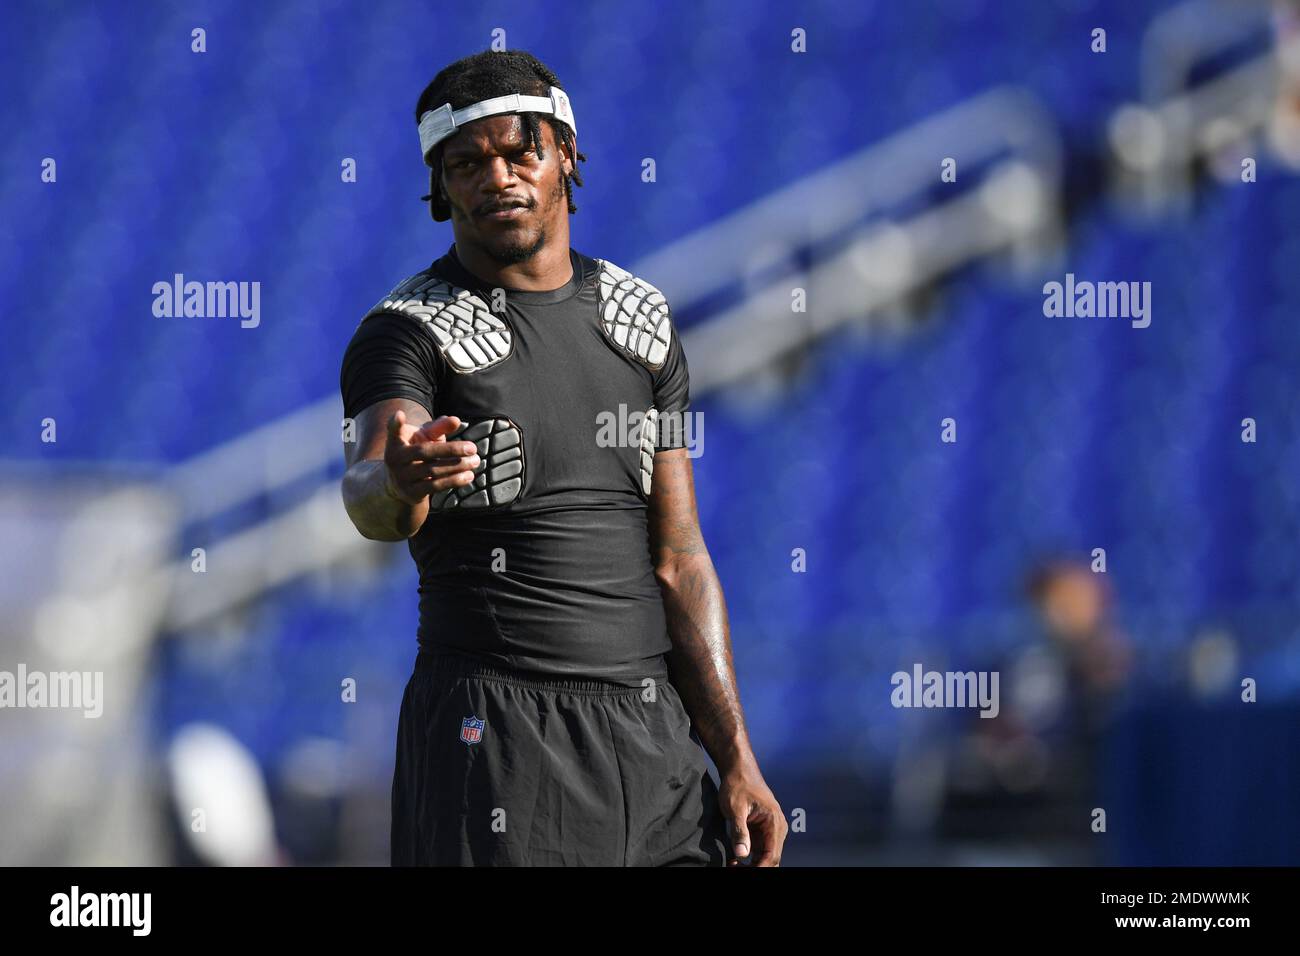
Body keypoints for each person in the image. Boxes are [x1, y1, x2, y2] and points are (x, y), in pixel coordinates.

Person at [338, 49, 786, 866]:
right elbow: (372, 491)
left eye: (521, 152)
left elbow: (680, 558)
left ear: (566, 156)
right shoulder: (407, 331)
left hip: (654, 741)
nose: (497, 177)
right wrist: (399, 481)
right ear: (440, 188)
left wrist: (737, 759)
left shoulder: (641, 320)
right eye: (467, 164)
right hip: (496, 737)